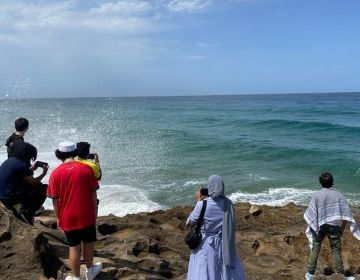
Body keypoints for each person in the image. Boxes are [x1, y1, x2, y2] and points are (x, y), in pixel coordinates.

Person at [47, 142, 102, 280]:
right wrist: (94, 213)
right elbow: (93, 194)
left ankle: (76, 277)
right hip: (86, 214)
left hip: (68, 216)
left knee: (73, 247)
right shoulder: (86, 169)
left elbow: (55, 200)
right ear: (75, 152)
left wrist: (58, 218)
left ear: (59, 155)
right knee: (89, 243)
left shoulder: (55, 173)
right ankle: (90, 271)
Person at [187, 175, 246, 280]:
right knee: (222, 270)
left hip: (206, 244)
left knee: (206, 270)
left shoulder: (202, 204)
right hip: (224, 243)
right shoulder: (228, 204)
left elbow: (189, 223)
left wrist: (198, 201)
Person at [304, 172, 360, 280]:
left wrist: (313, 226)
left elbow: (311, 214)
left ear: (321, 183)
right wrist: (342, 229)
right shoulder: (339, 195)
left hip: (320, 226)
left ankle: (310, 274)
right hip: (334, 226)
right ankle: (339, 274)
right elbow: (345, 215)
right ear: (332, 182)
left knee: (316, 247)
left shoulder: (316, 195)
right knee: (336, 249)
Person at [0, 141, 48, 225]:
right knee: (43, 188)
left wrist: (31, 169)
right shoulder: (22, 165)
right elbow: (34, 183)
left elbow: (18, 174)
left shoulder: (10, 160)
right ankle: (28, 212)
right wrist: (44, 173)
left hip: (2, 193)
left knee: (30, 185)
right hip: (9, 197)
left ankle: (25, 209)